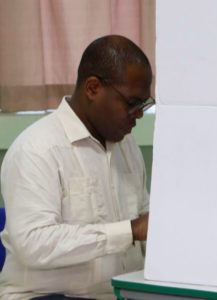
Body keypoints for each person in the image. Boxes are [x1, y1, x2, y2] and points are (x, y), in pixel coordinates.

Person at [0, 35, 153, 299]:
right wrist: (129, 231)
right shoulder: (37, 149)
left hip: (122, 293)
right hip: (46, 295)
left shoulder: (126, 146)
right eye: (132, 103)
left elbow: (146, 219)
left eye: (144, 105)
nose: (139, 114)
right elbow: (34, 244)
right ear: (93, 88)